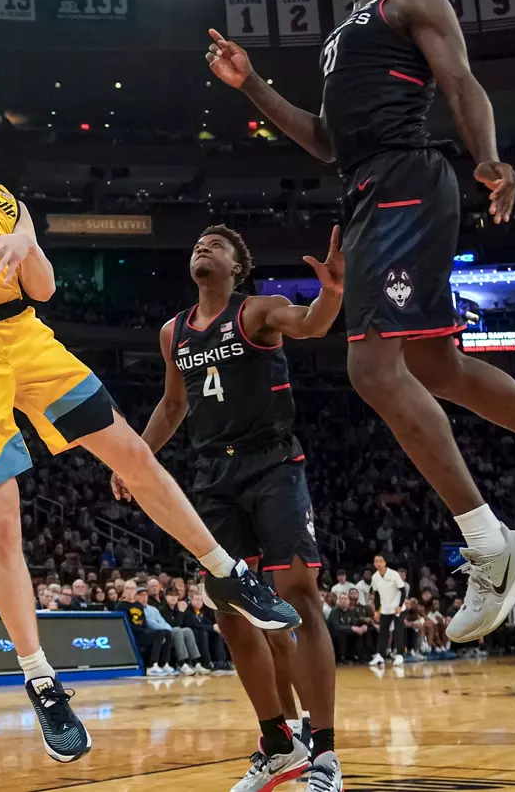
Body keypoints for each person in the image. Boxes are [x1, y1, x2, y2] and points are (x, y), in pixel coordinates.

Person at [0, 0, 299, 761]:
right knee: (1, 526)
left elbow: (42, 292)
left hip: (24, 338)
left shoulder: (5, 204)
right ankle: (40, 679)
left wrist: (26, 246)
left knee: (131, 454)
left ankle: (226, 571)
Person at [204, 0, 515, 643]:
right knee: (434, 365)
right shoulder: (340, 37)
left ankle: (491, 544)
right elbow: (322, 142)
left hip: (404, 180)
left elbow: (459, 81)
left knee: (372, 370)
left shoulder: (410, 0)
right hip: (366, 186)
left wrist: (487, 155)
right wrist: (251, 84)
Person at [112, 223, 343, 792]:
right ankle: (277, 744)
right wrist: (133, 459)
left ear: (238, 266)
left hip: (272, 463)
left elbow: (311, 325)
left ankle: (326, 753)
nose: (201, 247)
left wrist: (332, 294)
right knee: (227, 608)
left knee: (297, 593)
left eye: (216, 245)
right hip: (213, 475)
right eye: (197, 243)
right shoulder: (173, 333)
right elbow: (172, 405)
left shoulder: (260, 310)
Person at [370, 554, 405, 667]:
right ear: (374, 564)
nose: (378, 563)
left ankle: (399, 655)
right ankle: (380, 655)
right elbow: (376, 595)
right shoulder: (375, 577)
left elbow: (403, 591)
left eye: (380, 561)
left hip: (397, 608)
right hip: (385, 608)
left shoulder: (394, 574)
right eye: (376, 561)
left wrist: (400, 605)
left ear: (385, 562)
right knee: (383, 633)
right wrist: (376, 610)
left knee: (398, 631)